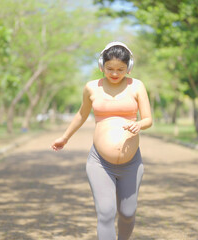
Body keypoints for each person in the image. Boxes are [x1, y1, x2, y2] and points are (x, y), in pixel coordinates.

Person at [51, 41, 152, 240]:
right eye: (110, 69)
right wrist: (65, 137)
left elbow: (148, 119)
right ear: (101, 66)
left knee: (128, 212)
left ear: (129, 67)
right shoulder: (91, 88)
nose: (115, 74)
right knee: (105, 212)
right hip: (99, 163)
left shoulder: (137, 86)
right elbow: (81, 114)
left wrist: (139, 125)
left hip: (131, 163)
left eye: (121, 69)